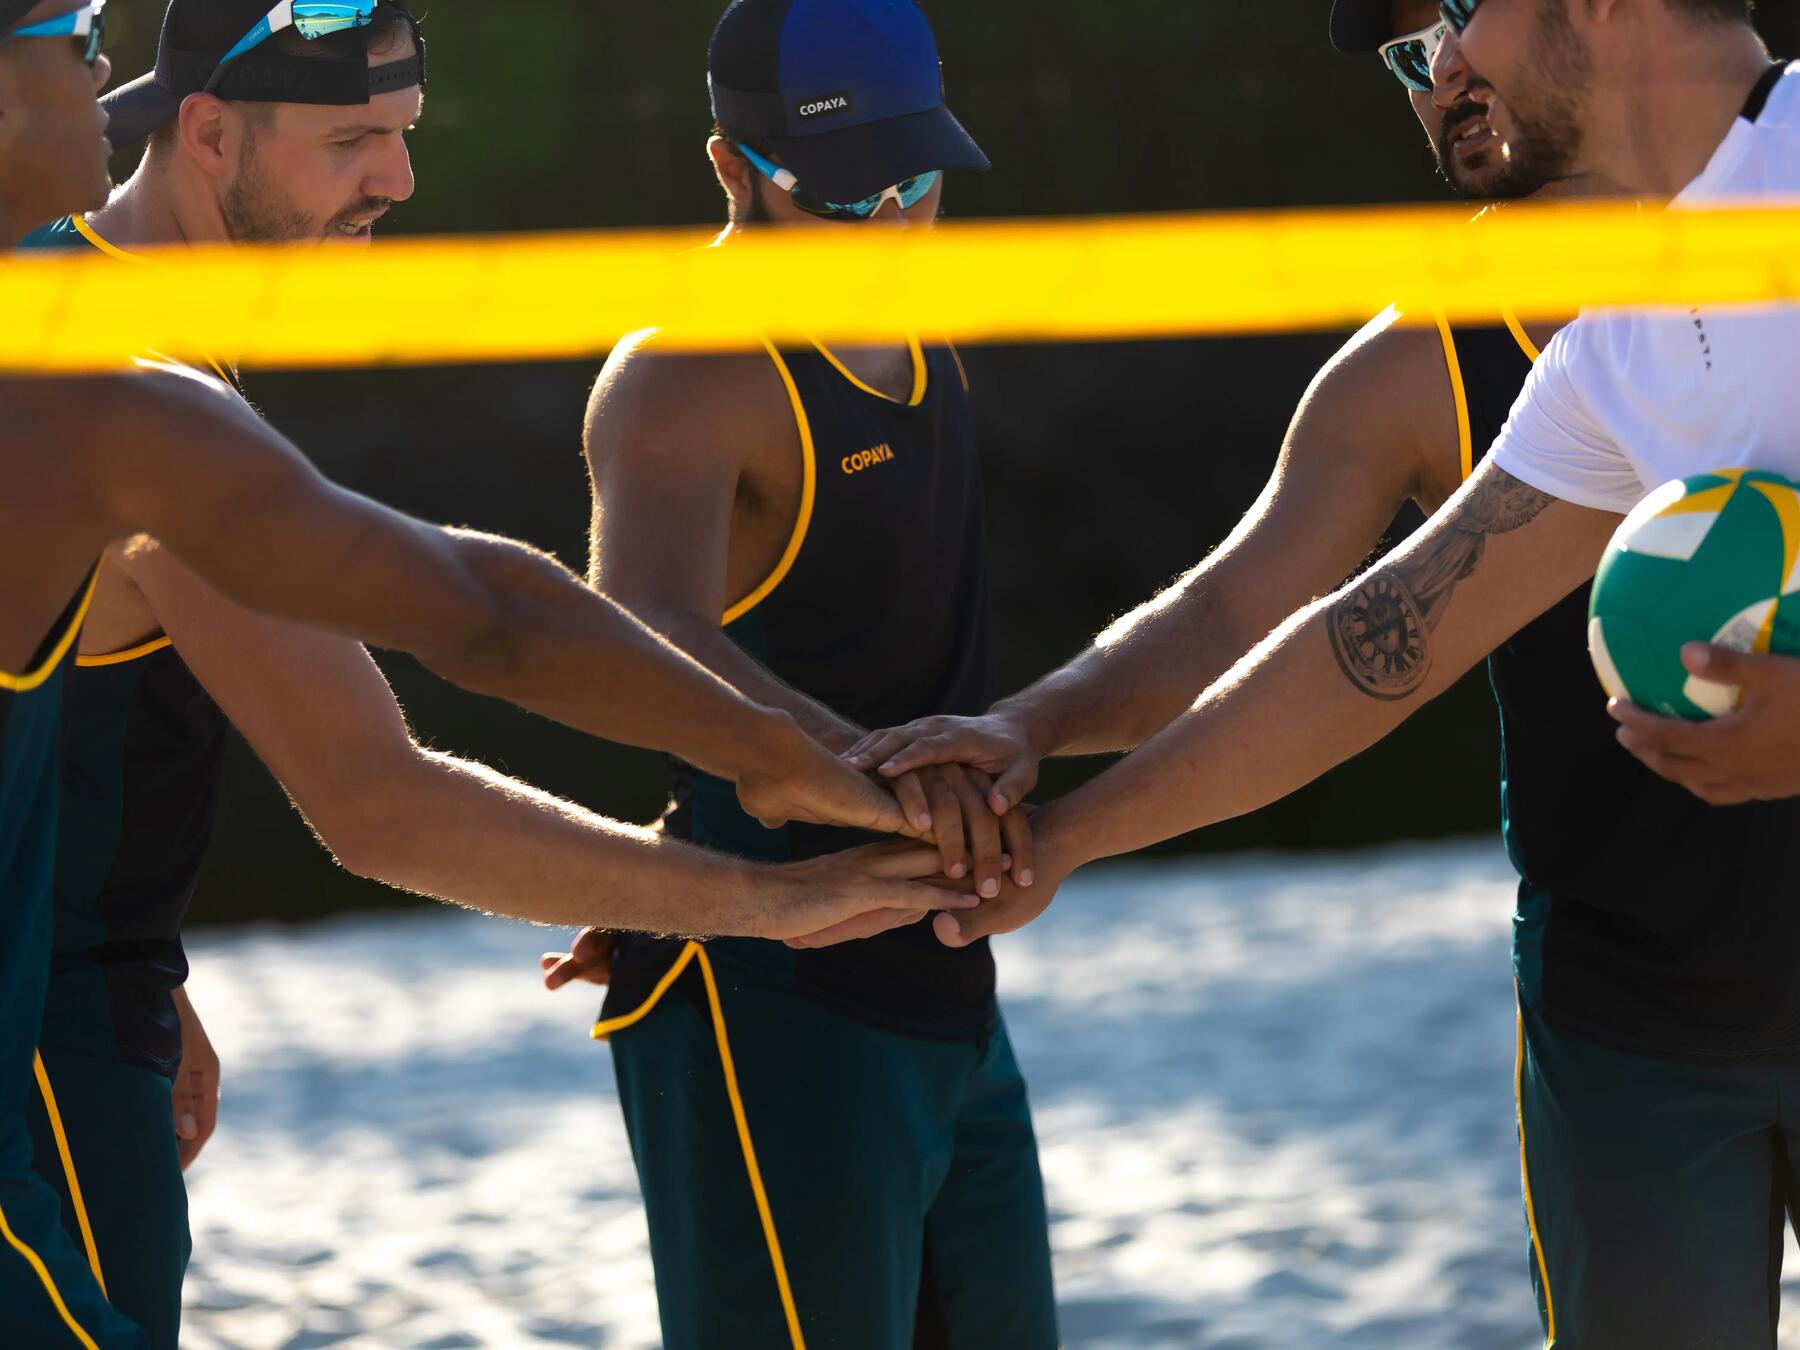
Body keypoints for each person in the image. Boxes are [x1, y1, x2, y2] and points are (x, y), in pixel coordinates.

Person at [0, 4, 963, 1342]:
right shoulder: (106, 360)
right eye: (355, 140)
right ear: (211, 133)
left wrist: (105, 941)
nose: (398, 180)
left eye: (402, 135)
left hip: (82, 1012)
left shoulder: (81, 305)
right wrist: (769, 871)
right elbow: (393, 773)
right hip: (47, 1057)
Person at [856, 1, 1800, 1343]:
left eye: (1463, 14)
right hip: (1637, 1012)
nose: (1442, 68)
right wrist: (1062, 828)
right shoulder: (1620, 353)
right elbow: (1374, 642)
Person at [538, 2, 1058, 1346]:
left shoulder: (914, 323)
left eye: (917, 183)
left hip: (949, 993)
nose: (892, 225)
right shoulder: (684, 373)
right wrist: (887, 774)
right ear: (732, 171)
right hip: (771, 1002)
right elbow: (635, 630)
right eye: (847, 195)